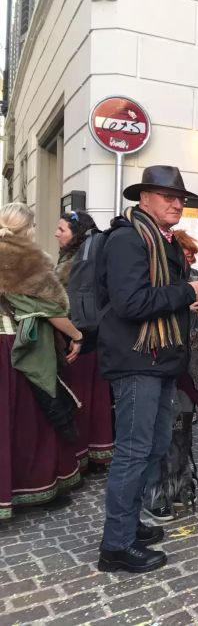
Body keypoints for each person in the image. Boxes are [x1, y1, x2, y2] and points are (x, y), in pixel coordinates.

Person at [95, 166, 198, 573]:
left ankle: (128, 524)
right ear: (144, 199)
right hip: (136, 360)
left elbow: (153, 298)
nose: (177, 203)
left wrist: (186, 298)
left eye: (180, 198)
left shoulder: (163, 242)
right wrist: (184, 292)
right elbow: (130, 303)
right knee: (134, 451)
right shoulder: (128, 239)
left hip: (158, 360)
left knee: (155, 447)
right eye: (167, 196)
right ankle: (116, 546)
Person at [0, 202, 84, 519]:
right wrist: (76, 335)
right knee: (25, 422)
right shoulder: (25, 259)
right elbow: (50, 311)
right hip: (14, 349)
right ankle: (30, 490)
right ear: (28, 228)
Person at [142, 229, 198, 522]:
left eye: (191, 254)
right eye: (184, 253)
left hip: (192, 373)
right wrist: (181, 306)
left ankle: (179, 488)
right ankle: (156, 495)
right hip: (167, 369)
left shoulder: (196, 275)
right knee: (161, 436)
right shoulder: (159, 278)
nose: (189, 258)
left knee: (181, 433)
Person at [54, 209, 115, 471]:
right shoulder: (74, 256)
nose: (56, 233)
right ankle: (91, 455)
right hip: (81, 338)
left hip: (81, 340)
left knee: (83, 400)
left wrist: (76, 336)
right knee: (88, 400)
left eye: (62, 229)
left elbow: (75, 303)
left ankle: (84, 456)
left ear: (75, 233)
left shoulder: (80, 259)